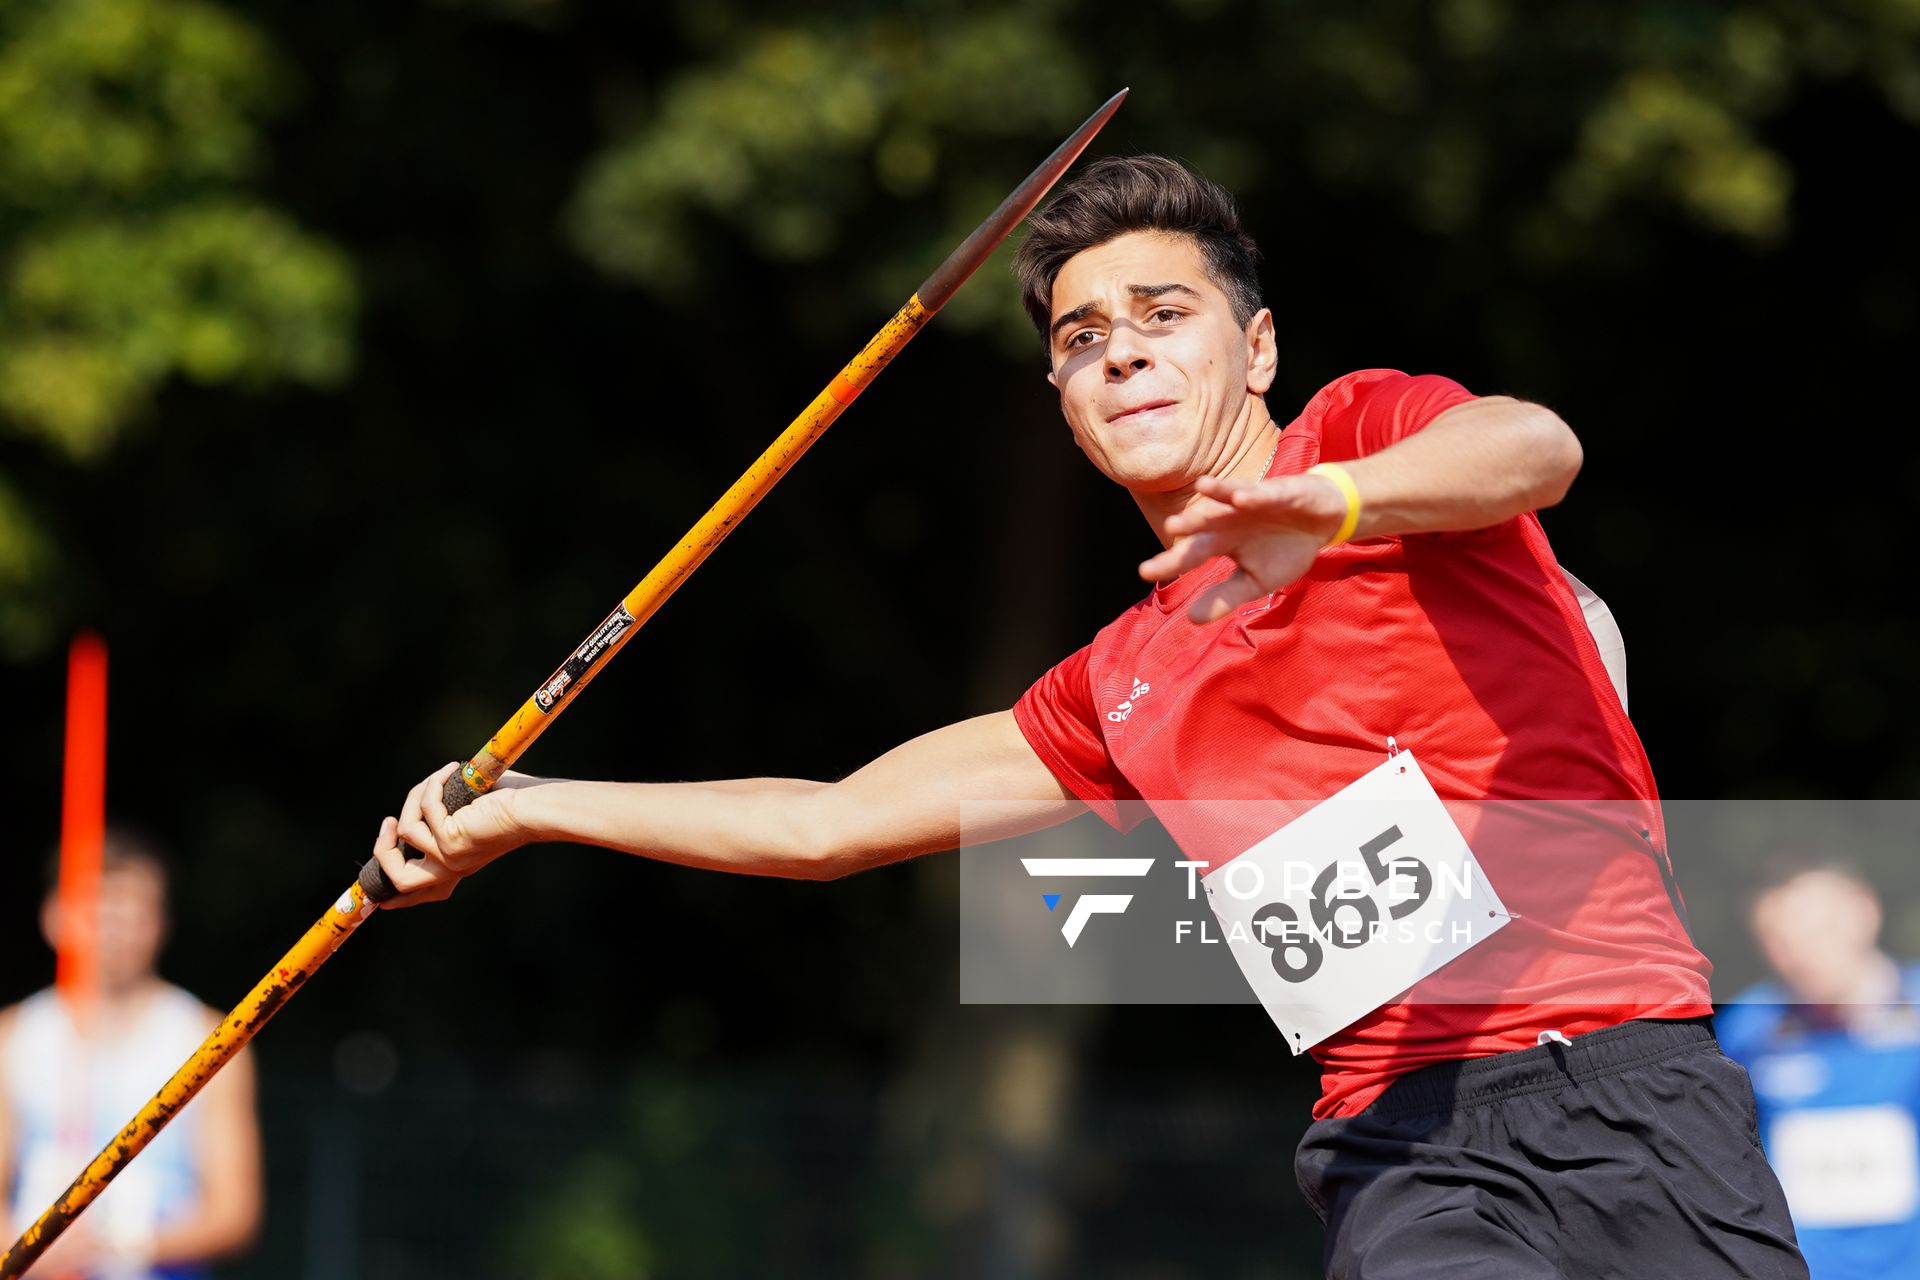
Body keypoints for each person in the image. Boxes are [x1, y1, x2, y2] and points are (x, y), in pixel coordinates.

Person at [370, 155, 1804, 1276]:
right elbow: (824, 823)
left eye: (1163, 316)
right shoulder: (1117, 683)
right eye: (1079, 338)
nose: (1118, 352)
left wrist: (1336, 503)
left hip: (1625, 1083)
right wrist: (530, 809)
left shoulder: (1369, 438)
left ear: (1256, 351)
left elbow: (1534, 446)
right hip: (1398, 1148)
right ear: (1061, 399)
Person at [0, 831, 262, 1279]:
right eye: (96, 909)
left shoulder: (210, 1038)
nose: (112, 930)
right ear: (53, 917)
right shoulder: (13, 1036)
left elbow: (233, 1213)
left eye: (130, 913)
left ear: (161, 923)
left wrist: (115, 1246)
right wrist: (36, 1249)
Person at [1718, 861, 1920, 1278]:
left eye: (1818, 929)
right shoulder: (1744, 1030)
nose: (1805, 951)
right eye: (1781, 940)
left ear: (1866, 911)